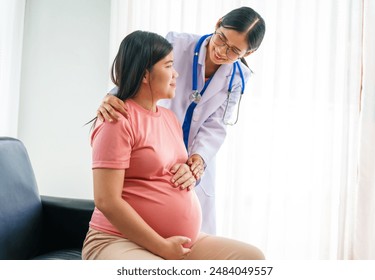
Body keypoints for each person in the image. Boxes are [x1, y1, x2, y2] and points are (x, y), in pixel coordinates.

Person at [82, 30, 265, 260]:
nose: (177, 73)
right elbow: (106, 201)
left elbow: (213, 129)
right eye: (169, 66)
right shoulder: (116, 119)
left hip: (181, 241)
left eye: (234, 51)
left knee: (252, 259)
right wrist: (161, 246)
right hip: (119, 239)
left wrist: (190, 170)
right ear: (145, 75)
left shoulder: (169, 118)